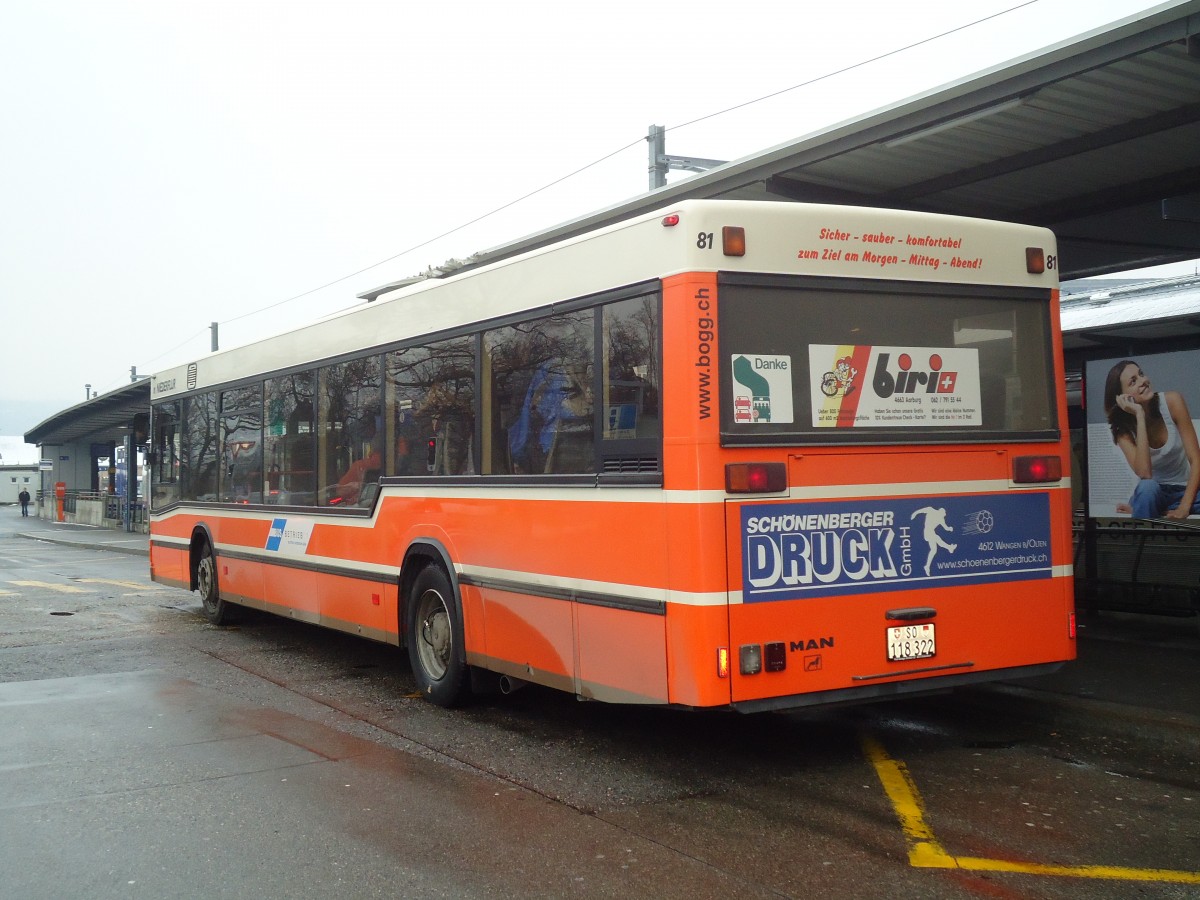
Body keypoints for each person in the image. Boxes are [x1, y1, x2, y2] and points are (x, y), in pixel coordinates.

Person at [1103, 359, 1200, 520]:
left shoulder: (1172, 401)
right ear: (1121, 397)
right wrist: (1139, 415)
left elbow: (1196, 459)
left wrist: (1184, 506)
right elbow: (1145, 473)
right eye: (1133, 382)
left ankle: (1145, 507)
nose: (1143, 381)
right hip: (1154, 493)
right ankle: (1144, 529)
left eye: (1141, 374)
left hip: (1185, 490)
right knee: (1147, 488)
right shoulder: (1122, 429)